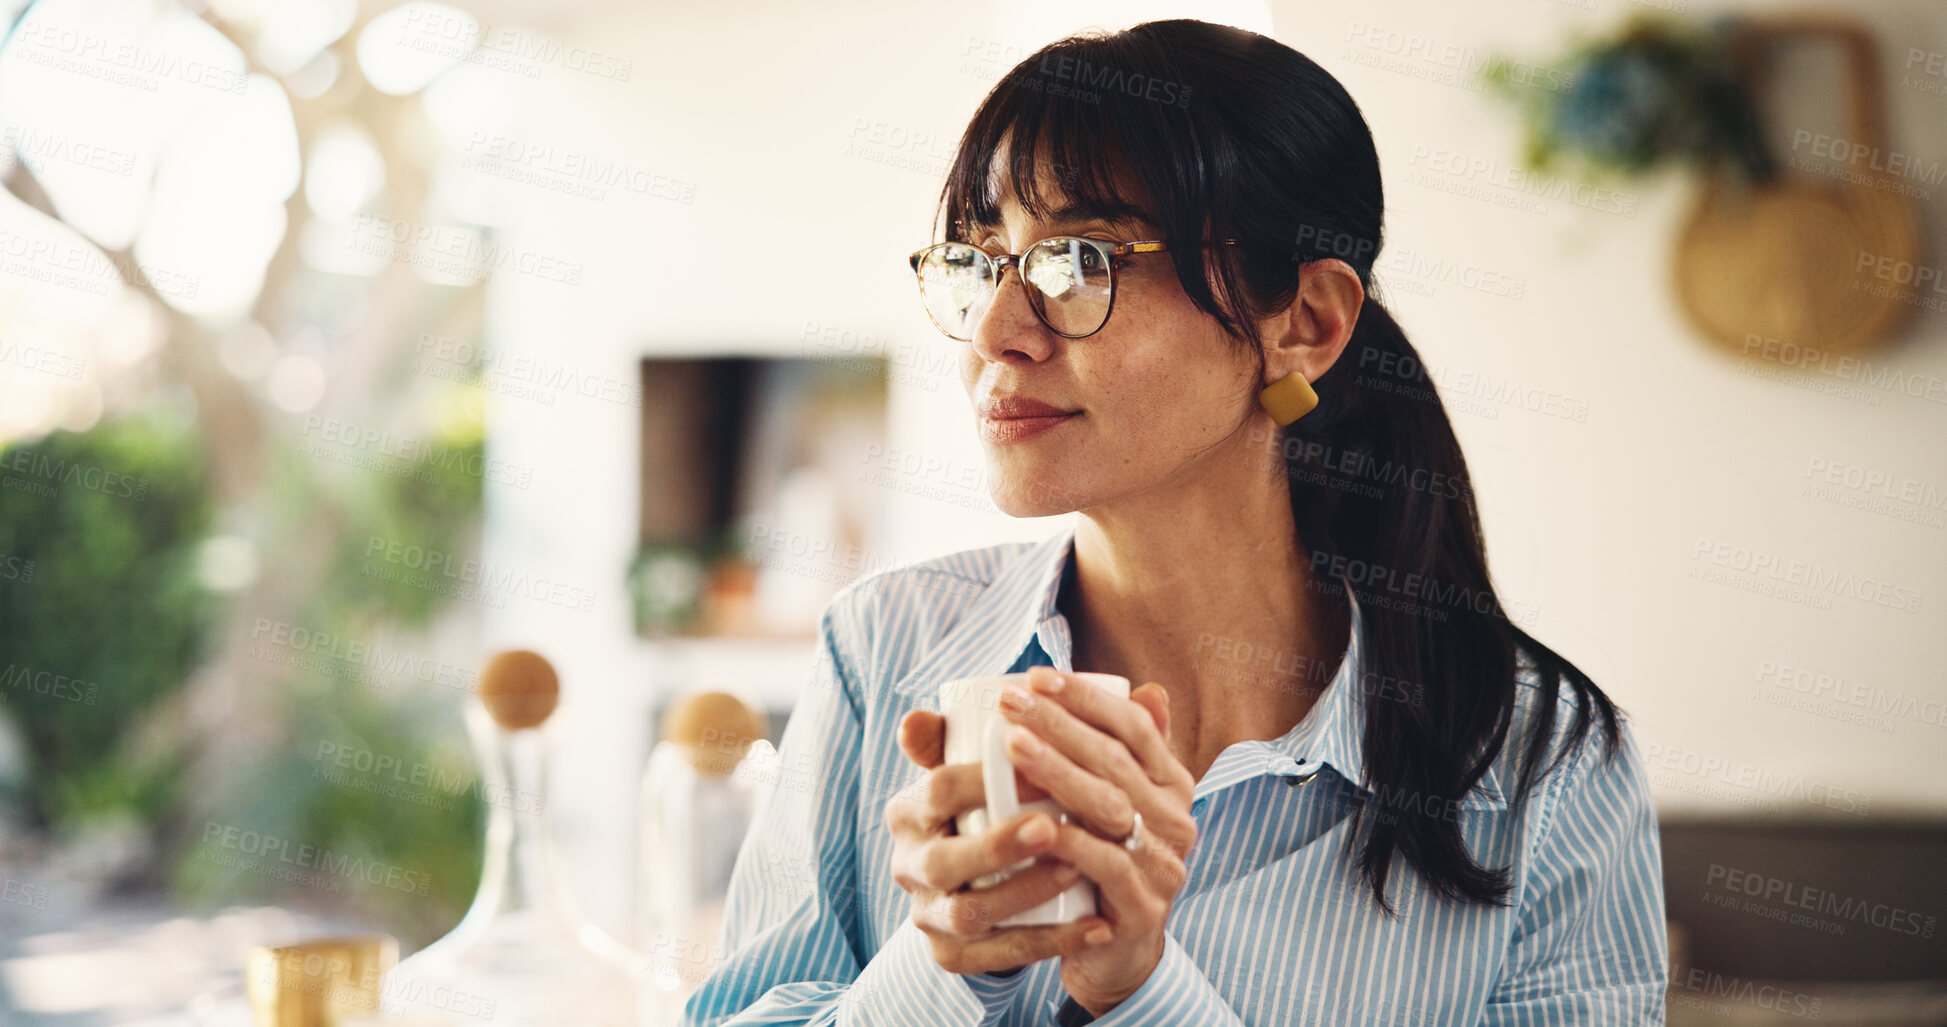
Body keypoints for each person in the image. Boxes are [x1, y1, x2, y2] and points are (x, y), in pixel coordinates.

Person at [684, 18, 1666, 1026]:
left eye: (1080, 260)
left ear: (1307, 323)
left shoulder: (1545, 761)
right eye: (982, 261)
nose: (995, 334)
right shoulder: (882, 647)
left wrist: (1145, 990)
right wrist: (947, 966)